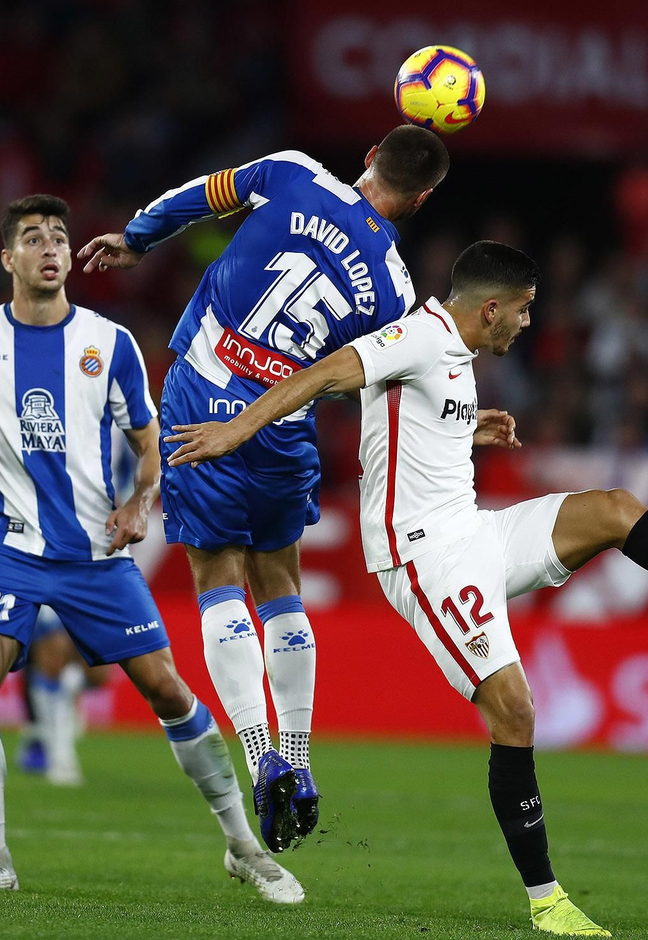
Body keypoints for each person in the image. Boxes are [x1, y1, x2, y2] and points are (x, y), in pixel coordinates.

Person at [166, 241, 648, 937]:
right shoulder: (417, 336)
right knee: (516, 712)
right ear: (490, 308)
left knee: (614, 510)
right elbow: (325, 374)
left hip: (475, 534)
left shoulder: (457, 356)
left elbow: (400, 427)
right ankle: (547, 899)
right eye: (523, 312)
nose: (527, 325)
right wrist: (236, 430)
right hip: (424, 560)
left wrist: (466, 431)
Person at [0, 194, 301, 902]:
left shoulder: (108, 343)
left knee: (167, 689)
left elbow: (150, 445)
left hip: (95, 555)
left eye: (58, 236)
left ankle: (243, 845)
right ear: (8, 258)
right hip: (10, 547)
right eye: (33, 238)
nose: (50, 247)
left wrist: (141, 503)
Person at [77, 125, 450, 851]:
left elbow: (201, 197)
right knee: (280, 583)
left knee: (217, 578)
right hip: (283, 426)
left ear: (369, 154)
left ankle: (260, 756)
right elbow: (364, 385)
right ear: (423, 198)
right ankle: (302, 760)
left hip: (202, 399)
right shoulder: (397, 290)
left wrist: (136, 237)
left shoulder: (292, 173)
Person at [15, 607, 110, 786]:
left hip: (92, 590)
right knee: (52, 664)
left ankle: (67, 691)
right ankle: (59, 755)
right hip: (53, 589)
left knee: (99, 674)